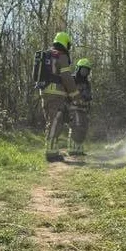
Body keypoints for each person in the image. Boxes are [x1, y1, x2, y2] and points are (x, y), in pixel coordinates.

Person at [40, 31, 80, 162]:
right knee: (55, 122)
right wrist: (75, 94)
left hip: (45, 92)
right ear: (66, 43)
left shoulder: (48, 54)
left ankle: (53, 150)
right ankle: (51, 153)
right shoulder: (61, 56)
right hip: (56, 94)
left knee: (52, 121)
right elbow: (67, 77)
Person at [67, 58, 92, 156]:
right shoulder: (72, 79)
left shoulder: (87, 83)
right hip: (73, 107)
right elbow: (68, 93)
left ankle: (79, 149)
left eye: (87, 70)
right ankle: (72, 150)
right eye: (83, 70)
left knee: (84, 128)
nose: (85, 72)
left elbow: (89, 96)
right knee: (76, 127)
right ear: (78, 69)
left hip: (84, 109)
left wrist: (88, 100)